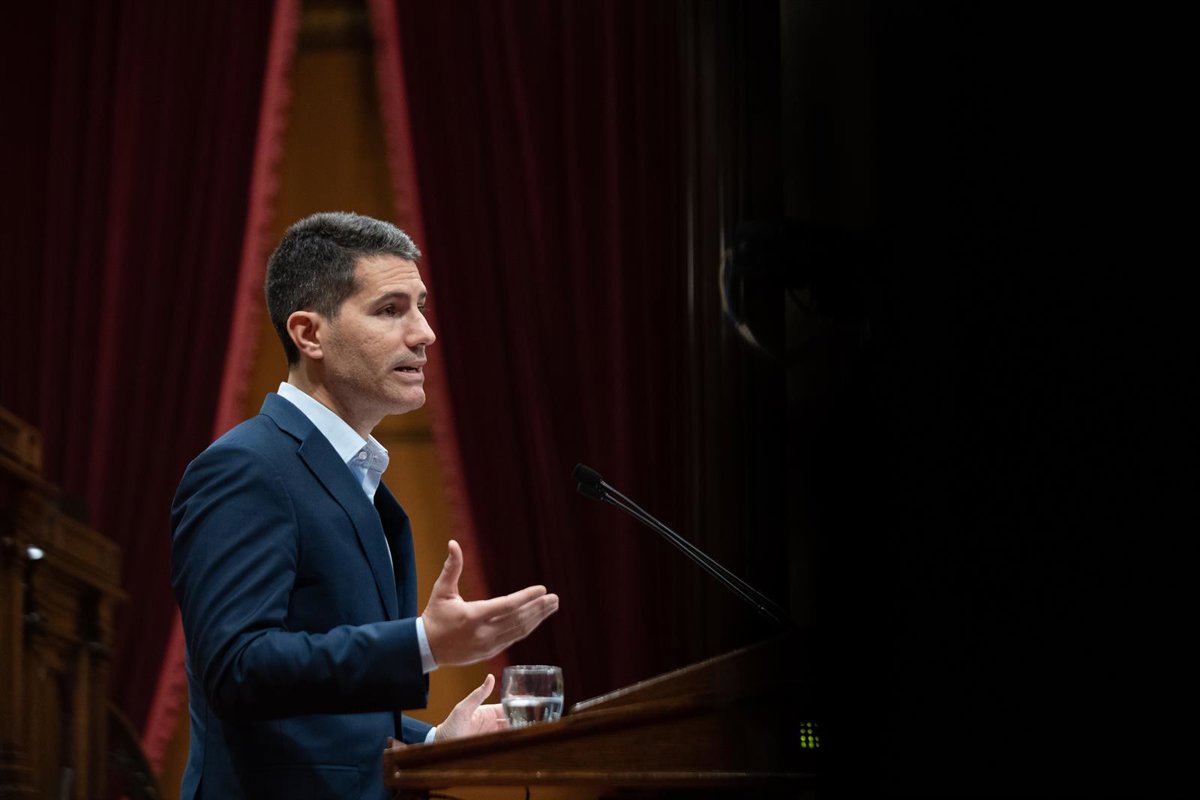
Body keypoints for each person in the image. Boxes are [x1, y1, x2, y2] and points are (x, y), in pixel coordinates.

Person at [170, 212, 559, 799]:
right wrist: (424, 643)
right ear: (309, 334)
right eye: (390, 310)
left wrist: (431, 742)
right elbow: (237, 668)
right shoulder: (246, 468)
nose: (424, 333)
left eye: (420, 306)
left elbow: (318, 712)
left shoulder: (356, 477)